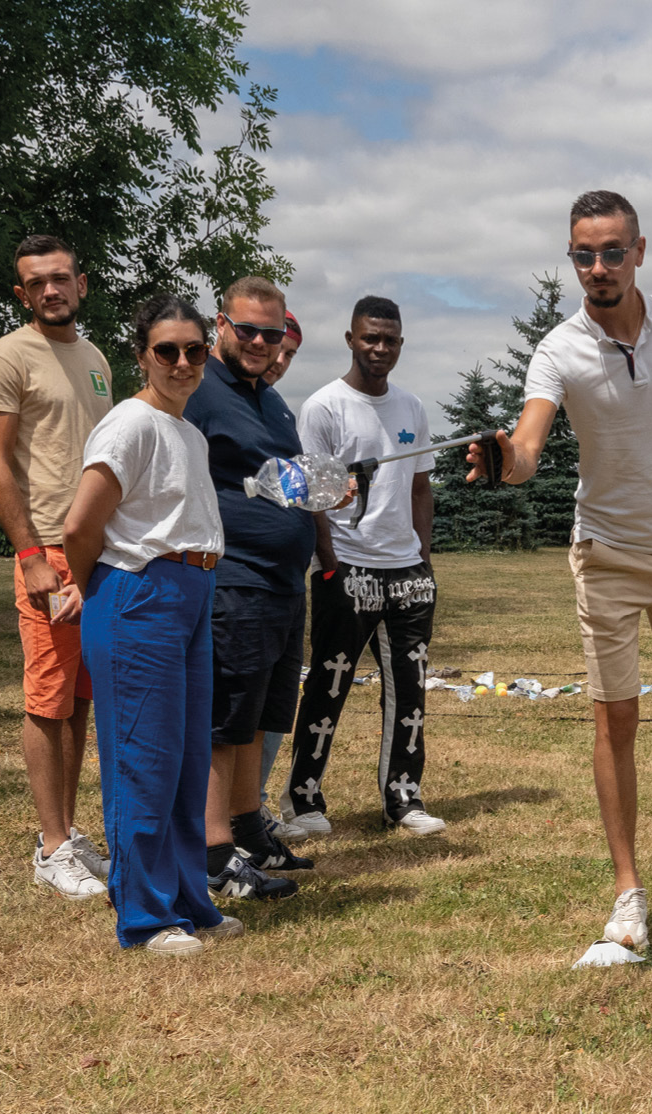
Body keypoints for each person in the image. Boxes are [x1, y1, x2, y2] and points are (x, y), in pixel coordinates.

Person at [469, 190, 652, 951]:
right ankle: (628, 890)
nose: (598, 267)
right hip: (607, 556)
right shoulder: (558, 348)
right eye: (583, 254)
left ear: (640, 251)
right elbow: (529, 444)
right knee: (616, 717)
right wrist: (507, 463)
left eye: (611, 251)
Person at [63, 294, 241, 955]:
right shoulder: (129, 425)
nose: (182, 362)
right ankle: (143, 917)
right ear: (141, 354)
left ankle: (189, 902)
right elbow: (80, 526)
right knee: (145, 761)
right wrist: (94, 597)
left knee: (188, 759)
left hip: (191, 592)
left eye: (195, 350)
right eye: (167, 350)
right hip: (139, 593)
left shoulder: (187, 432)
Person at [282, 296, 443, 836]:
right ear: (351, 339)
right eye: (369, 338)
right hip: (347, 566)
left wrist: (423, 554)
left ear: (400, 344)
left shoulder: (412, 407)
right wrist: (329, 564)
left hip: (407, 572)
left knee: (410, 690)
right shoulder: (324, 406)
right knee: (329, 684)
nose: (379, 348)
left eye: (389, 340)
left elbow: (421, 484)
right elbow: (312, 492)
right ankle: (303, 800)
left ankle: (403, 798)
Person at [0, 235, 112, 898]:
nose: (51, 290)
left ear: (81, 283)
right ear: (22, 293)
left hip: (97, 553)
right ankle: (50, 845)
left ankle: (69, 830)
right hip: (49, 553)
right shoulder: (8, 357)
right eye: (37, 283)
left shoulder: (93, 358)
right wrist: (31, 556)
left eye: (61, 278)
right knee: (46, 697)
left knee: (81, 697)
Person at [183, 276, 316, 899]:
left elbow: (282, 479)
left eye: (271, 332)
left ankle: (246, 827)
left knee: (261, 716)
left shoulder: (272, 400)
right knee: (225, 717)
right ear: (221, 325)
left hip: (284, 585)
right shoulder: (200, 389)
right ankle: (212, 852)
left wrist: (326, 487)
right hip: (233, 580)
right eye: (248, 330)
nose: (260, 342)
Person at [256, 309, 305, 832]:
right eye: (277, 347)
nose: (281, 361)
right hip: (242, 579)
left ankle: (252, 803)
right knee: (240, 709)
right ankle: (224, 818)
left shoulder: (279, 410)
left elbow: (289, 487)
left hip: (285, 579)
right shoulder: (215, 397)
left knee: (275, 704)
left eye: (290, 353)